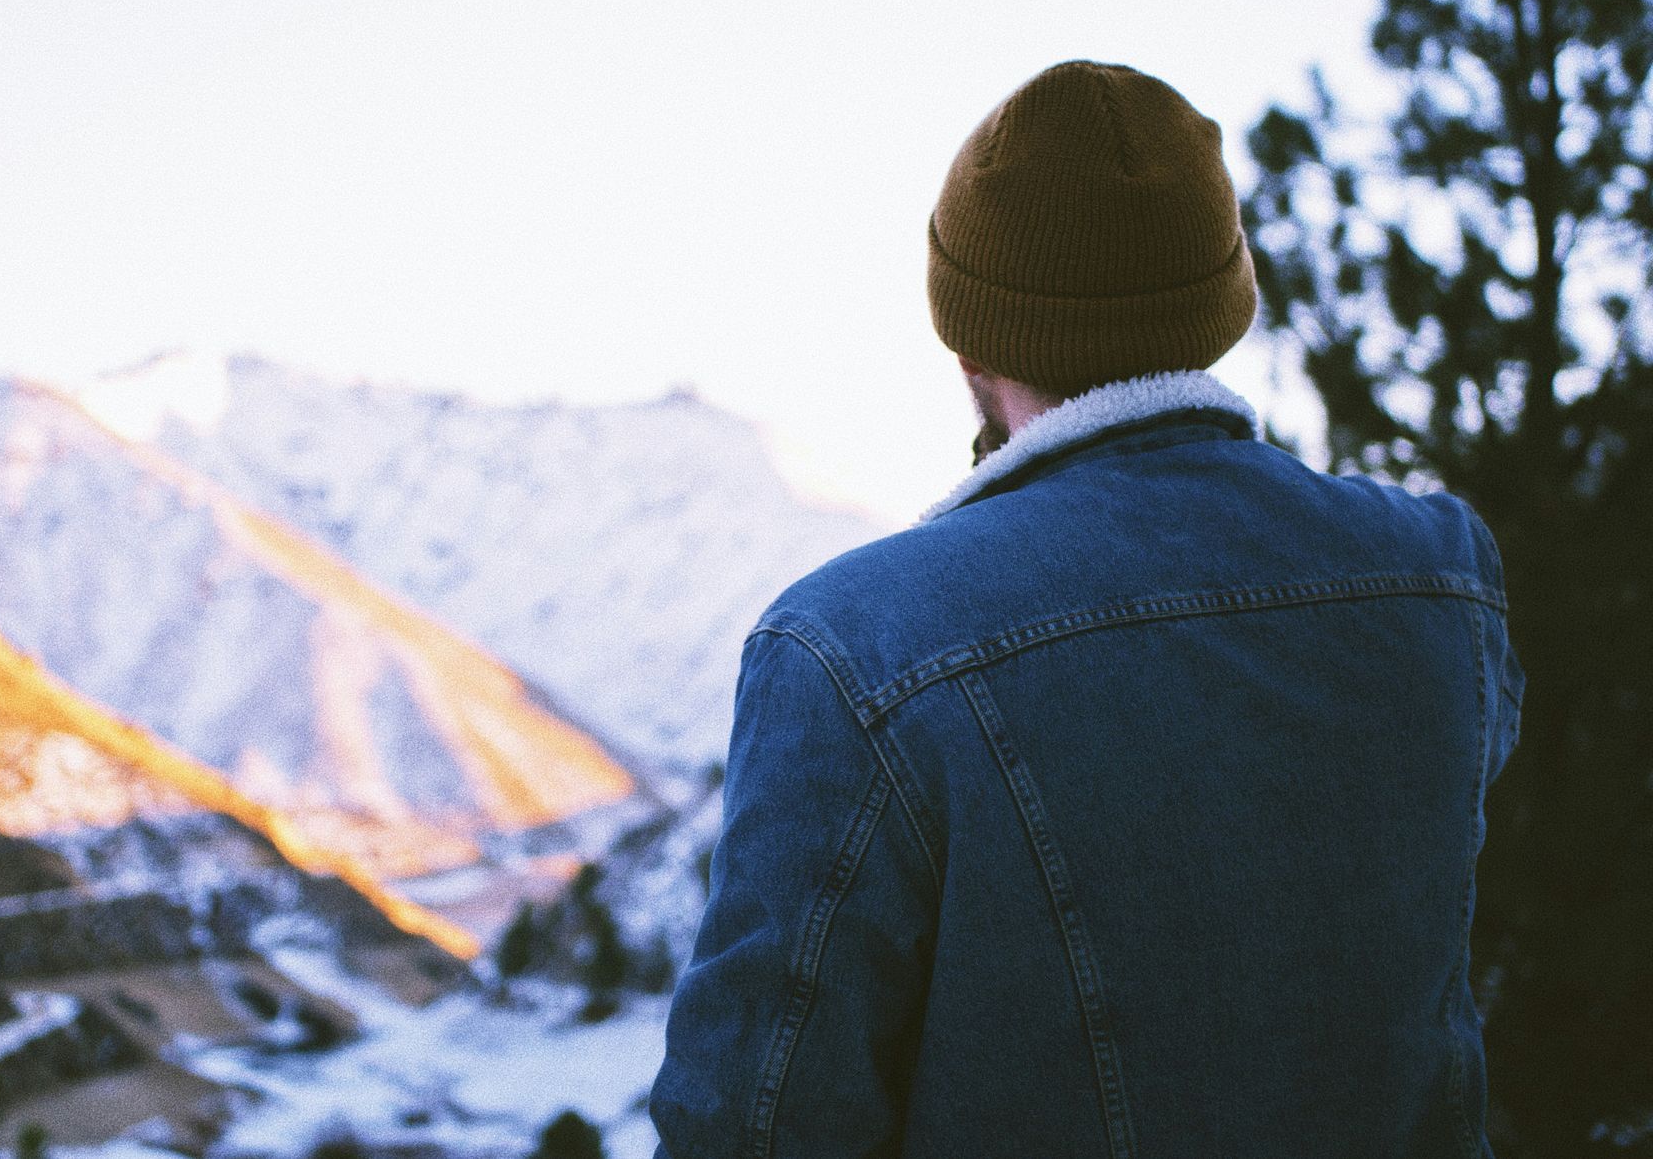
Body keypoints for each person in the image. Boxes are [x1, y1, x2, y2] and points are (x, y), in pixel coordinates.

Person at [649, 60, 1524, 1157]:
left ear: (967, 341)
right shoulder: (1440, 573)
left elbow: (755, 1125)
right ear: (1221, 306)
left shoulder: (851, 647)